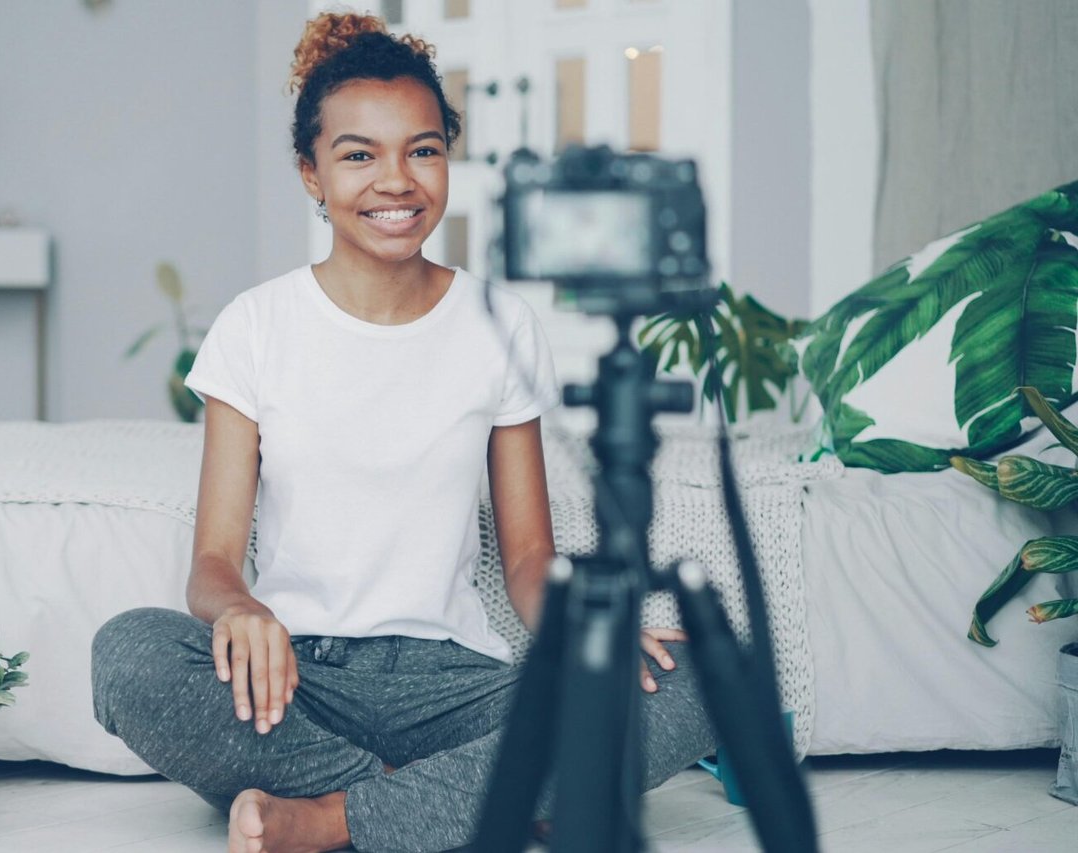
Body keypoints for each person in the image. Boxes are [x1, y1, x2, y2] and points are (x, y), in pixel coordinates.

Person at [91, 12, 715, 853]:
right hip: (295, 680)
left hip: (450, 682)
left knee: (699, 681)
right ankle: (455, 805)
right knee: (128, 652)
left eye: (422, 150)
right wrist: (240, 610)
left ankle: (327, 819)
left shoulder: (499, 324)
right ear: (310, 173)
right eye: (359, 155)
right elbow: (211, 564)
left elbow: (528, 558)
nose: (397, 181)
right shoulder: (256, 326)